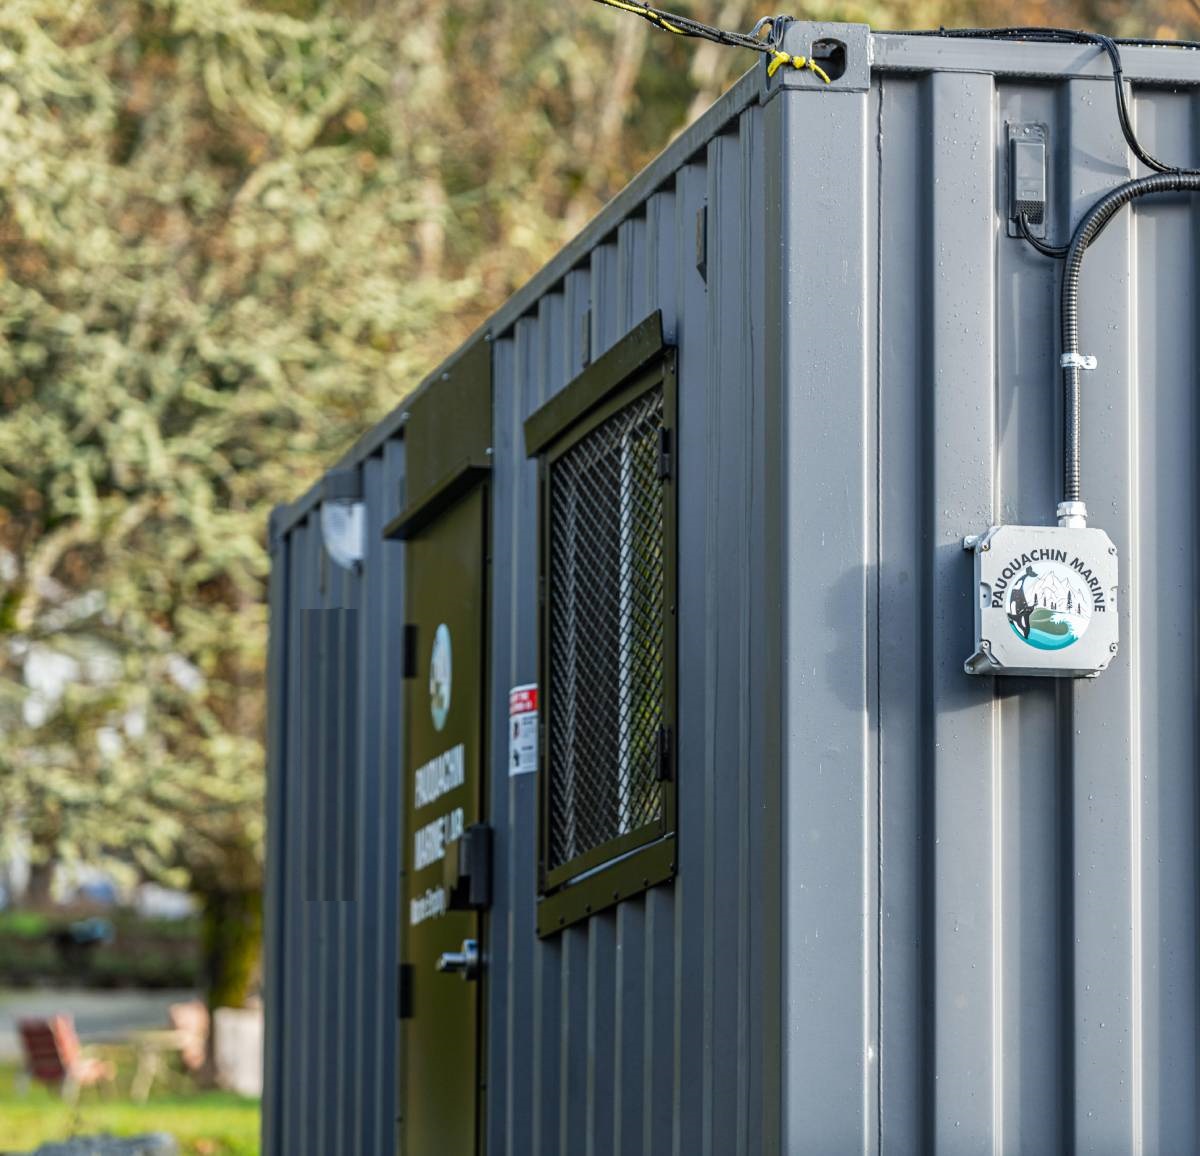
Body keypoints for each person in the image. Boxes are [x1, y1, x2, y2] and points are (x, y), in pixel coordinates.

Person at [1008, 566, 1037, 639]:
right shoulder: (1020, 621)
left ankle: (1025, 632)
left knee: (1022, 617)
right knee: (1022, 618)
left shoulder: (1020, 621)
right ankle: (1025, 632)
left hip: (1018, 600)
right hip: (1018, 601)